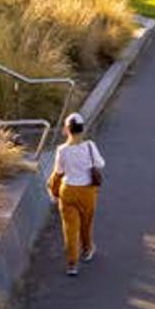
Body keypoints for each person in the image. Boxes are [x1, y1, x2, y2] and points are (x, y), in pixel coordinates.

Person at [47, 113, 104, 276]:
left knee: (70, 229)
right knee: (86, 224)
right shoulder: (90, 146)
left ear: (67, 130)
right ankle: (87, 249)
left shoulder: (62, 150)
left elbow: (58, 171)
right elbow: (100, 163)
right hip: (87, 192)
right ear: (82, 129)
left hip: (68, 191)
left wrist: (53, 189)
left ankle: (72, 264)